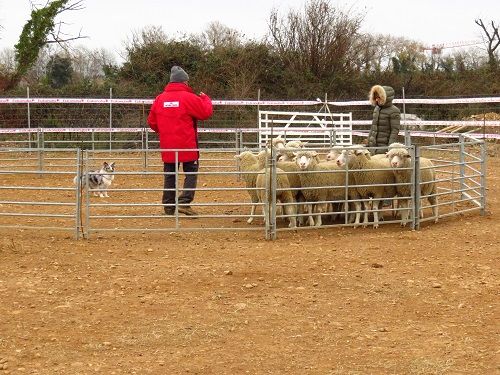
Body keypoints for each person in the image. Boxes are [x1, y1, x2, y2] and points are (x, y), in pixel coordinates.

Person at [147, 65, 213, 216]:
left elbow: (151, 122)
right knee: (191, 171)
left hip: (168, 145)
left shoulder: (159, 99)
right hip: (187, 144)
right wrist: (206, 99)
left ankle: (169, 207)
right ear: (184, 82)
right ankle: (184, 202)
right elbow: (205, 113)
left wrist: (165, 131)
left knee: (170, 174)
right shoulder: (189, 98)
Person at [367, 85, 401, 155]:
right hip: (372, 147)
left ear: (385, 98)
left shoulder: (394, 111)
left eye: (378, 97)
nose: (376, 100)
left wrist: (390, 148)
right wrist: (368, 142)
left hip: (383, 148)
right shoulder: (376, 109)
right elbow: (373, 127)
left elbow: (394, 131)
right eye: (375, 97)